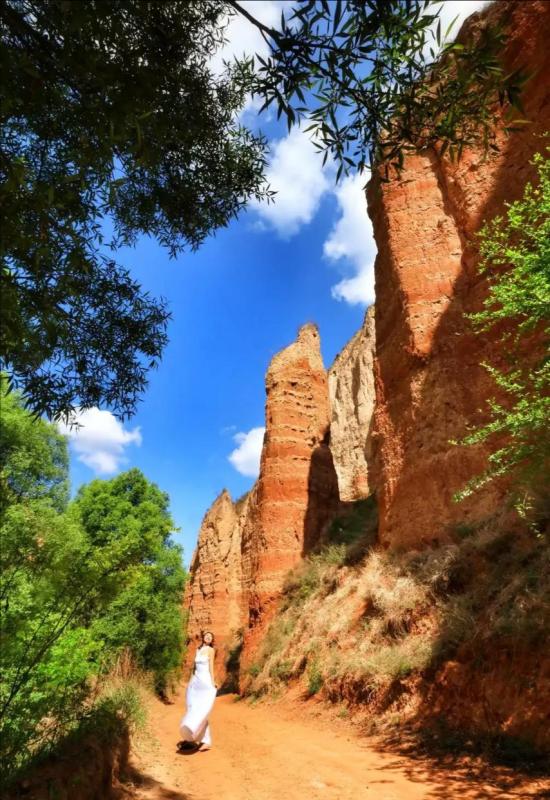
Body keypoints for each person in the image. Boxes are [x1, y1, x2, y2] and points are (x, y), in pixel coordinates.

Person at [178, 631, 218, 752]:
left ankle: (206, 741)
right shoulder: (198, 649)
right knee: (192, 708)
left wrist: (213, 682)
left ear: (212, 640)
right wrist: (190, 682)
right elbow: (194, 669)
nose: (208, 637)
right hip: (195, 682)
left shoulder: (211, 650)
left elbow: (211, 667)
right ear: (203, 637)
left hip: (205, 682)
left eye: (210, 637)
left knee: (202, 711)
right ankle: (192, 737)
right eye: (207, 635)